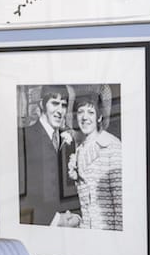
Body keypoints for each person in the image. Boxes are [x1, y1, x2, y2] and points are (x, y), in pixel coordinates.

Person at [16, 85, 81, 227]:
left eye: (63, 105)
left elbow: (71, 188)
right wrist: (56, 220)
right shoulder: (23, 136)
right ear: (41, 105)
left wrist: (76, 215)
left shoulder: (68, 142)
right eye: (54, 103)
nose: (59, 110)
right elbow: (20, 196)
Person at [66, 89, 123, 231]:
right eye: (80, 112)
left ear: (99, 117)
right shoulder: (80, 149)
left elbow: (120, 201)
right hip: (88, 233)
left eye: (91, 112)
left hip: (108, 233)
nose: (85, 117)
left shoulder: (112, 145)